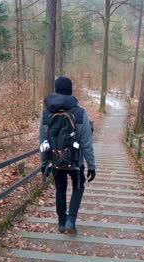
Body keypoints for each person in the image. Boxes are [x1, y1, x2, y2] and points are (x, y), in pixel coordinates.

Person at [39, 76, 96, 235]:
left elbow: (43, 140)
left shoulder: (46, 114)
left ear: (56, 90)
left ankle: (61, 222)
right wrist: (91, 166)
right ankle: (71, 219)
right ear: (71, 91)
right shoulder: (79, 113)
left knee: (60, 189)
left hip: (56, 161)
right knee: (78, 187)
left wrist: (44, 163)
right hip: (76, 162)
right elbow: (86, 143)